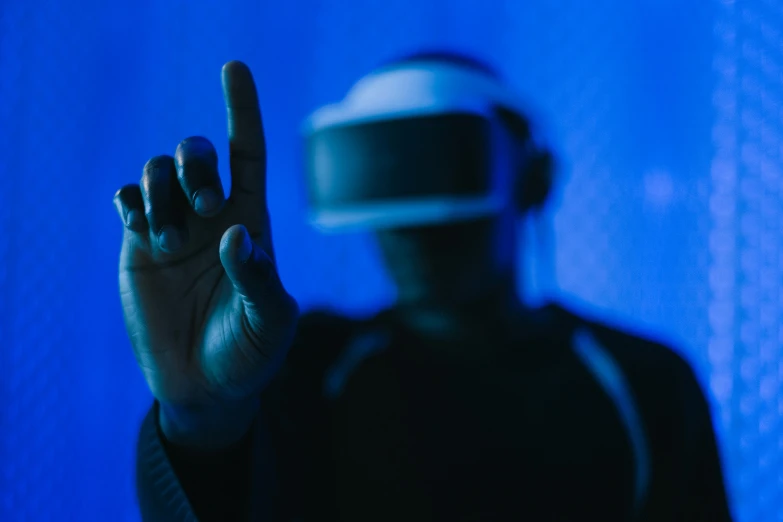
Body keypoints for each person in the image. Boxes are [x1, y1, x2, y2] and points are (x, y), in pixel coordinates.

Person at [113, 52, 733, 521]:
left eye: (445, 169)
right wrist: (201, 418)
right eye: (384, 182)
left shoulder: (647, 384)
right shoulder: (302, 364)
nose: (412, 228)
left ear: (533, 179)